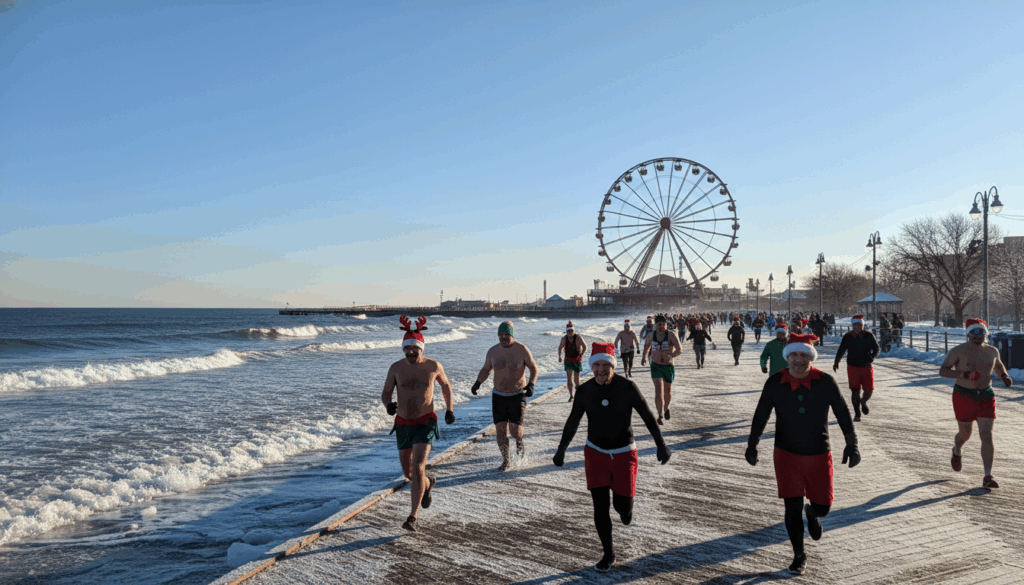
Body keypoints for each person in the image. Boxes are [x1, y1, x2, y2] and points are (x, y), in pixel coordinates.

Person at [746, 333, 860, 575]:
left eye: (804, 355)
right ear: (788, 357)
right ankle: (799, 554)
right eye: (794, 354)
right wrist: (752, 443)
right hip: (786, 453)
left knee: (823, 507)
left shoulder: (825, 381)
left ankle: (813, 513)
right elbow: (761, 414)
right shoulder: (775, 382)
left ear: (811, 357)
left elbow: (842, 413)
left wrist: (852, 444)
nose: (799, 360)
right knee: (791, 507)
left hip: (819, 453)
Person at [553, 342, 671, 572]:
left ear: (613, 366)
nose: (600, 369)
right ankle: (608, 554)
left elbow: (647, 416)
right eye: (596, 364)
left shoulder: (627, 387)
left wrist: (661, 445)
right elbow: (573, 421)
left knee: (621, 506)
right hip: (594, 452)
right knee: (600, 507)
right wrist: (561, 449)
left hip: (624, 453)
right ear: (591, 366)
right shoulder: (584, 391)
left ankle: (627, 510)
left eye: (605, 365)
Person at [381, 316, 455, 531]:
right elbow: (385, 393)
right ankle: (427, 484)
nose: (411, 353)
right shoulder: (396, 368)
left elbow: (446, 386)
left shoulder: (433, 366)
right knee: (409, 474)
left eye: (415, 349)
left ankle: (412, 517)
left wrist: (449, 410)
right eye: (408, 350)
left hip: (425, 422)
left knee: (418, 465)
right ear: (403, 349)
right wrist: (388, 405)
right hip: (403, 424)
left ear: (421, 348)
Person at [939, 318, 1013, 488]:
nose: (978, 335)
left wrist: (1005, 376)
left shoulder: (992, 351)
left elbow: (998, 365)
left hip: (986, 395)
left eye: (981, 332)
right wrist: (965, 375)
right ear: (968, 334)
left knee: (986, 434)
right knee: (965, 434)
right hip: (964, 395)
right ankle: (957, 451)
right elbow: (943, 371)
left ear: (985, 334)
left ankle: (988, 476)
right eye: (974, 332)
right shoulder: (958, 351)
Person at [471, 321, 539, 471]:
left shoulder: (522, 350)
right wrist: (477, 383)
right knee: (500, 431)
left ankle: (519, 440)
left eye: (506, 334)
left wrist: (531, 384)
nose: (503, 337)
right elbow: (486, 369)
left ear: (512, 335)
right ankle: (506, 460)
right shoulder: (493, 351)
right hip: (498, 396)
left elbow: (534, 368)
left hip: (517, 395)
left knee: (515, 431)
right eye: (500, 334)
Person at [832, 315, 880, 422]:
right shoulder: (847, 336)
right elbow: (841, 350)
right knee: (855, 391)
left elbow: (876, 348)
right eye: (855, 325)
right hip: (852, 367)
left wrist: (871, 358)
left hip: (866, 366)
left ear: (862, 325)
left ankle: (863, 402)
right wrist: (836, 362)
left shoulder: (869, 335)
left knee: (869, 390)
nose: (858, 327)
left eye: (860, 325)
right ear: (853, 325)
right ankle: (857, 413)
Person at [641, 315, 682, 424]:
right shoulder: (651, 335)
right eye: (658, 324)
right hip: (655, 365)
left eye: (662, 324)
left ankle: (666, 408)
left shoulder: (671, 335)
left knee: (667, 390)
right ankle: (659, 414)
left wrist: (672, 355)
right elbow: (646, 347)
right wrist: (643, 358)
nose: (660, 326)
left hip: (668, 366)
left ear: (665, 324)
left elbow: (679, 350)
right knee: (658, 388)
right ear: (655, 324)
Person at [558, 321, 587, 401]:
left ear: (574, 331)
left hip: (577, 360)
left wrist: (582, 353)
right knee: (569, 378)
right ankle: (571, 396)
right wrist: (559, 357)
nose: (570, 333)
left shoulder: (578, 338)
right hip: (568, 360)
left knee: (576, 380)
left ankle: (578, 395)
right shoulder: (564, 339)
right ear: (566, 331)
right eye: (568, 331)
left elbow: (585, 346)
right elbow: (560, 348)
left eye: (572, 331)